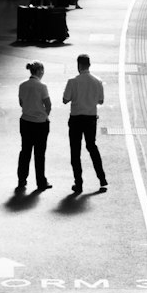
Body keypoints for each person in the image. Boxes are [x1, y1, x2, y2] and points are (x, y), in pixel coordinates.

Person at [62, 53, 107, 194]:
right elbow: (100, 101)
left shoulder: (72, 81)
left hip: (76, 119)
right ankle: (102, 179)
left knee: (75, 151)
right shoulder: (97, 81)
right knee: (92, 146)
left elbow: (65, 99)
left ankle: (79, 183)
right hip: (90, 118)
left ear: (79, 65)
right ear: (89, 65)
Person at [16, 61, 51, 193]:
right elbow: (48, 105)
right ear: (39, 71)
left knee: (25, 151)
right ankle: (41, 182)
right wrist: (44, 115)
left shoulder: (22, 85)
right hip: (40, 124)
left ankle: (22, 179)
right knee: (39, 154)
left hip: (25, 121)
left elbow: (21, 103)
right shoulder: (42, 86)